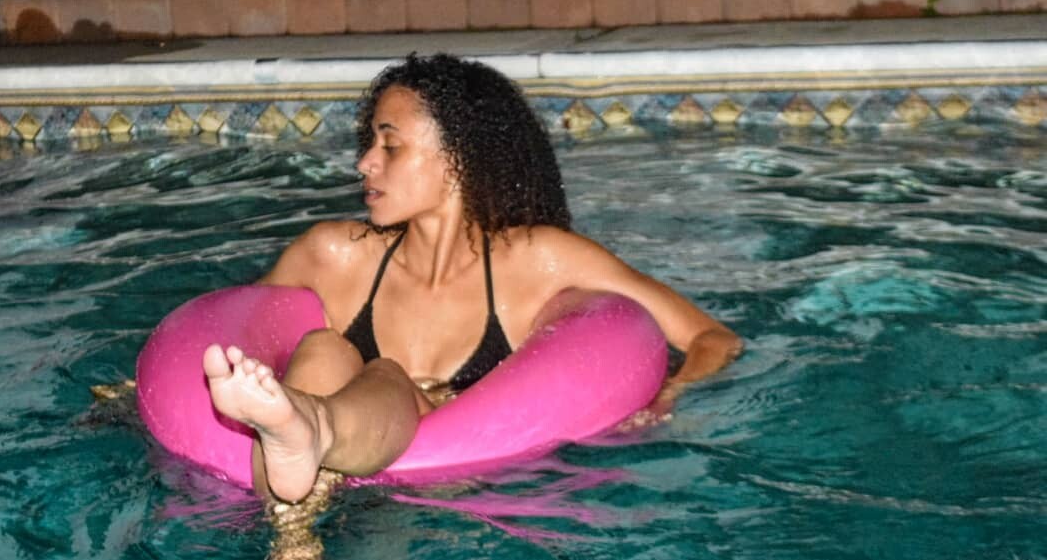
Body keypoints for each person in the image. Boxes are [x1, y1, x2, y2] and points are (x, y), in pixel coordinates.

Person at [203, 53, 742, 503]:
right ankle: (294, 533)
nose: (365, 163)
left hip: (466, 492)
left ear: (458, 157)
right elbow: (234, 336)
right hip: (342, 489)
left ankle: (315, 431)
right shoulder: (331, 255)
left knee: (388, 376)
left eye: (390, 145)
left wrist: (666, 396)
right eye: (369, 143)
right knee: (322, 350)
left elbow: (713, 339)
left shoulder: (538, 261)